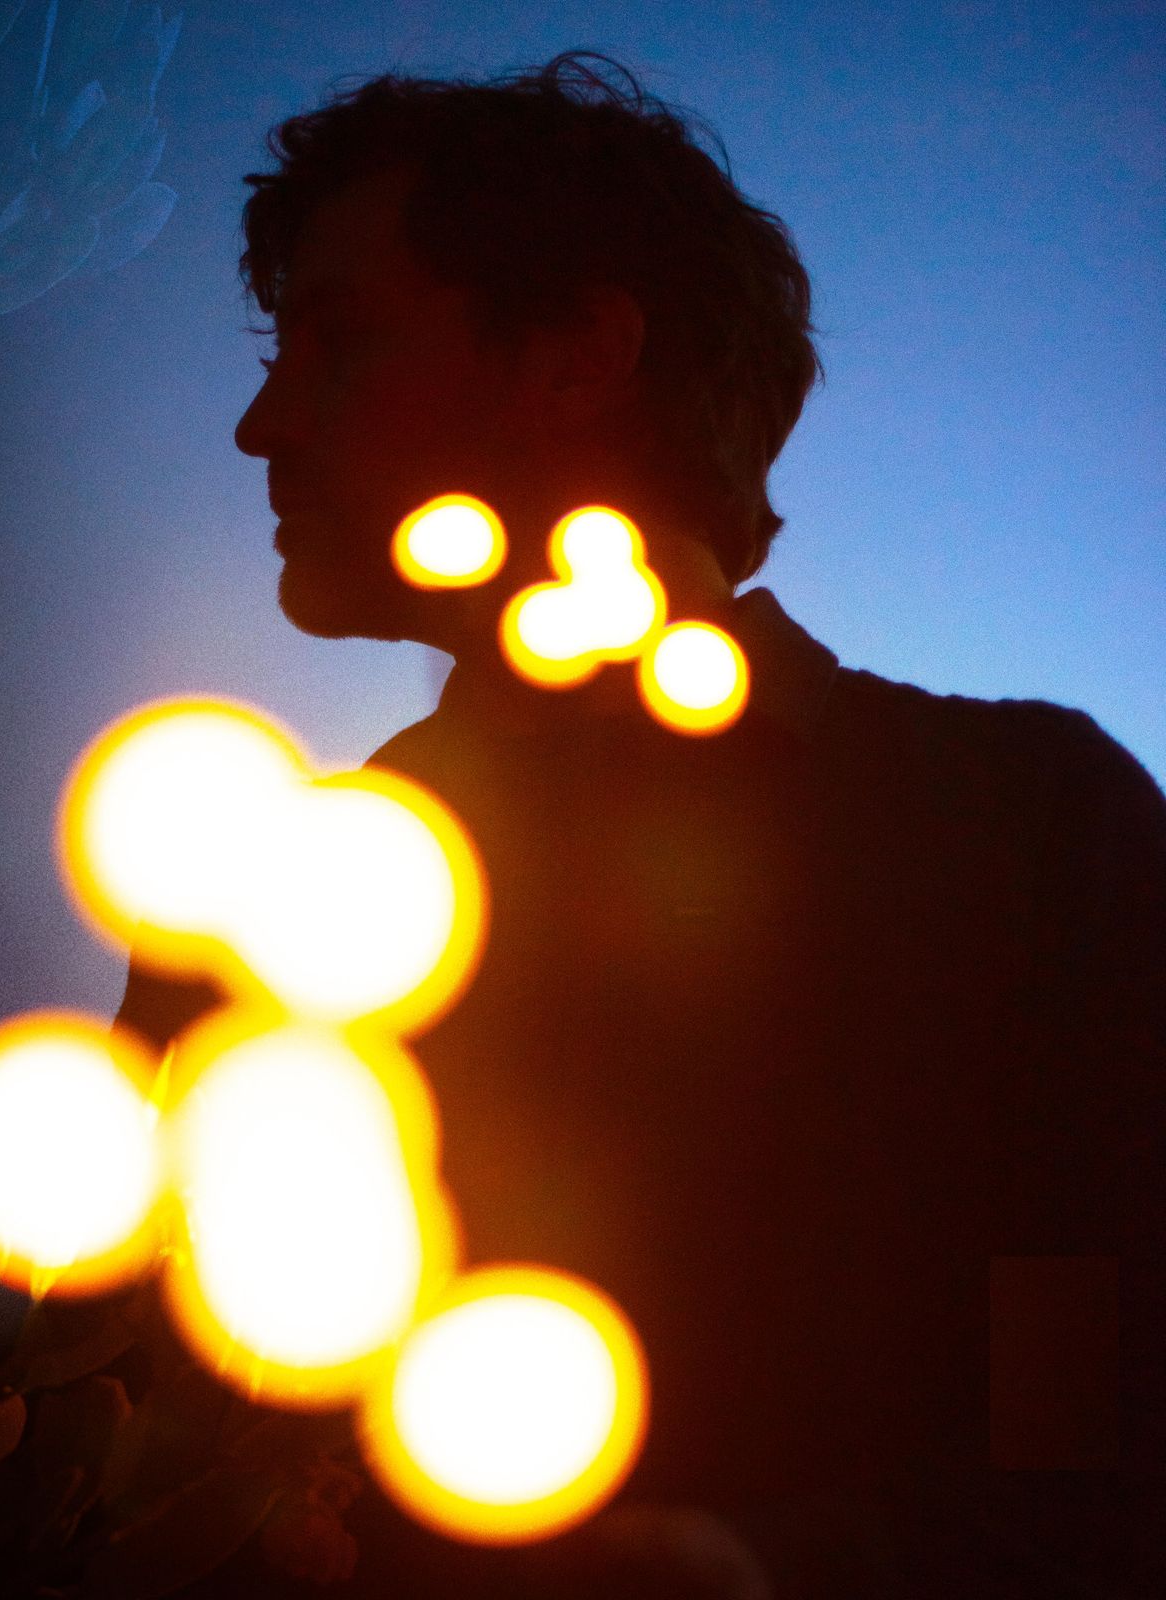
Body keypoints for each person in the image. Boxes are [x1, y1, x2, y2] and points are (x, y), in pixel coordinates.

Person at [116, 54, 1165, 1598]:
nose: (262, 425)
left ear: (579, 356)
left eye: (338, 340)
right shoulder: (250, 894)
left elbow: (1098, 1443)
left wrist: (770, 1572)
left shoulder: (1034, 834)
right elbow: (95, 1459)